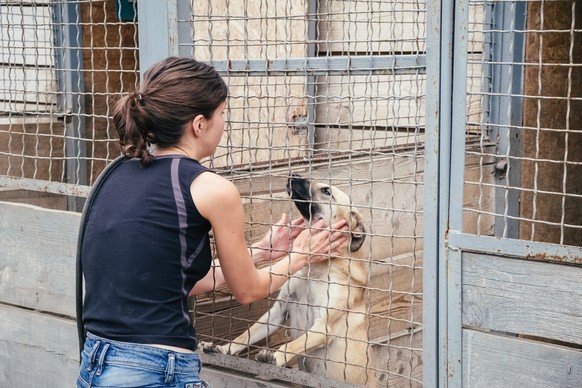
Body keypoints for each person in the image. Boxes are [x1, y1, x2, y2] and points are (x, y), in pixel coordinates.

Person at [76, 56, 349, 388]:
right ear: (199, 124)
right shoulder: (211, 188)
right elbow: (248, 291)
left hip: (98, 362)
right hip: (155, 370)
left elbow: (177, 281)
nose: (225, 124)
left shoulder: (115, 174)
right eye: (222, 114)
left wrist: (260, 253)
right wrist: (303, 253)